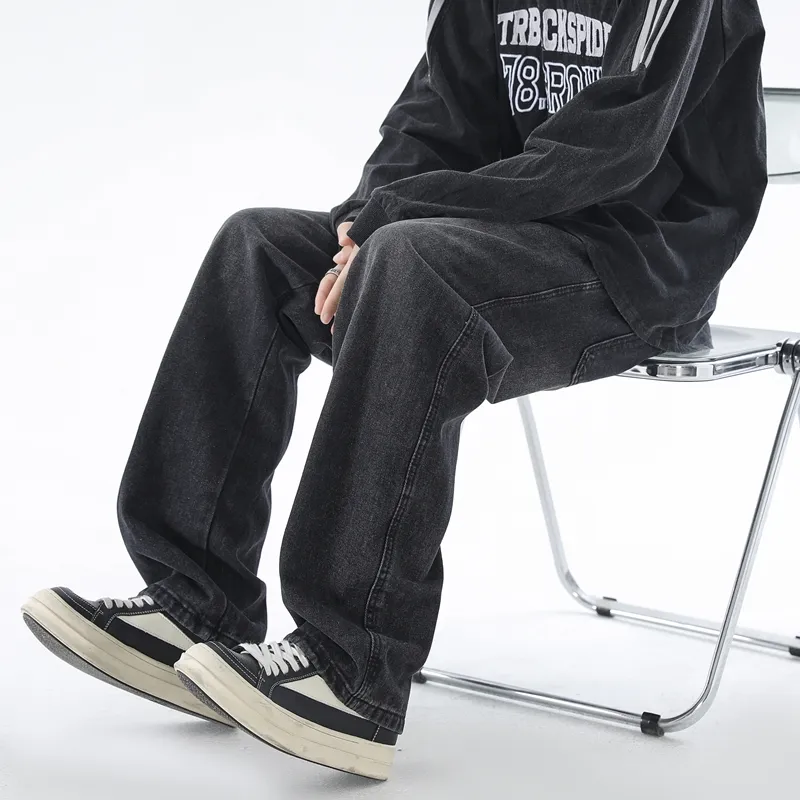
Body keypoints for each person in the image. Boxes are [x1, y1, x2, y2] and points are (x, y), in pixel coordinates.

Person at [21, 0, 766, 782]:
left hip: (637, 262)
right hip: (506, 230)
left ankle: (354, 668)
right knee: (258, 247)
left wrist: (397, 220)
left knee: (410, 266)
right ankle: (195, 601)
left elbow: (608, 150)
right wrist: (359, 224)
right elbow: (435, 118)